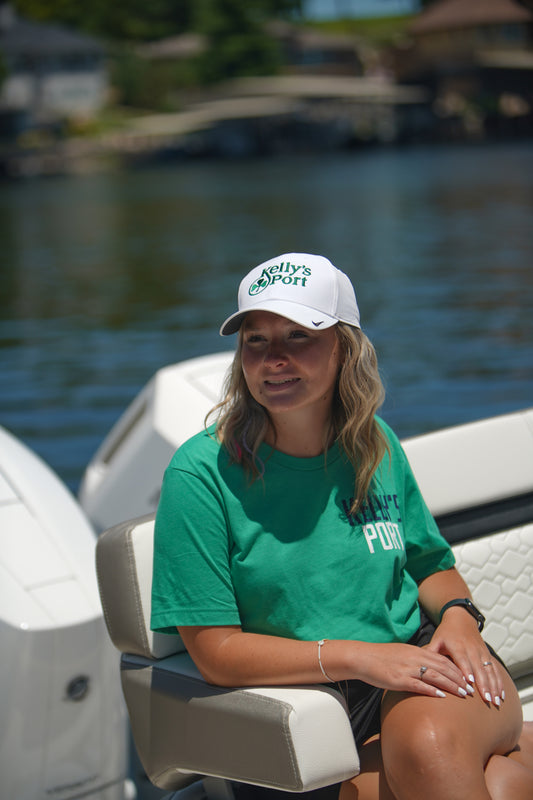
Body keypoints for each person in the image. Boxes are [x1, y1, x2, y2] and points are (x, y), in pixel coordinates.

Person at [151, 253, 533, 800]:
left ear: (344, 347)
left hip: (426, 673)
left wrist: (459, 619)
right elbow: (215, 651)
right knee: (500, 784)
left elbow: (430, 565)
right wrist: (360, 656)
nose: (273, 358)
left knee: (426, 742)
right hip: (310, 715)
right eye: (255, 340)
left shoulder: (374, 444)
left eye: (298, 336)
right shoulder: (201, 474)